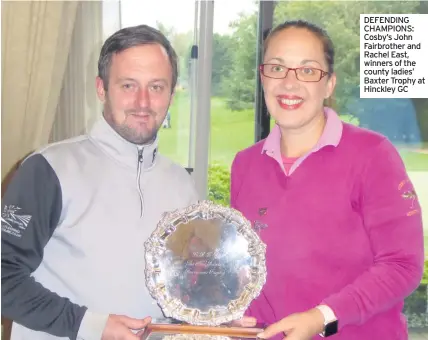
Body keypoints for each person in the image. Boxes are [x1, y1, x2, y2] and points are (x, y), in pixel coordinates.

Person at [1, 25, 199, 340]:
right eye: (128, 85)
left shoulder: (182, 185)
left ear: (171, 94)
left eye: (157, 87)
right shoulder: (49, 169)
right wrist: (87, 325)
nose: (143, 102)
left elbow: (189, 286)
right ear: (101, 89)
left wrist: (217, 320)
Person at [230, 20, 424, 340]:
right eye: (277, 68)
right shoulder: (245, 164)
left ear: (329, 84)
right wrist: (235, 310)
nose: (289, 83)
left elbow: (403, 265)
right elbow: (244, 267)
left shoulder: (373, 155)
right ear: (263, 77)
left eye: (307, 71)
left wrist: (322, 318)